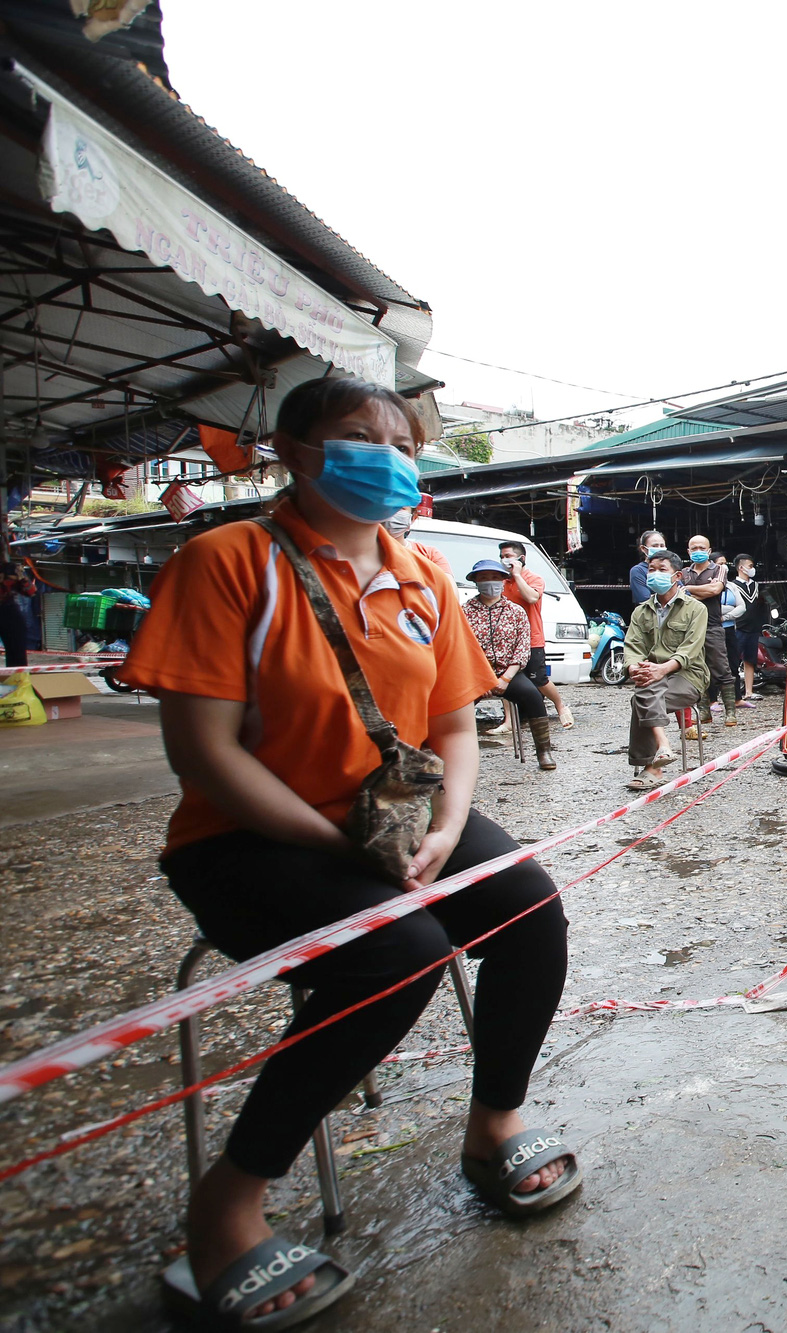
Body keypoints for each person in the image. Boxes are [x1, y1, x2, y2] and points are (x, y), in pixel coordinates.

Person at [119, 376, 576, 1326]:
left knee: (531, 905)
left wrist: (446, 829)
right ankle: (228, 1206)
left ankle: (493, 1127)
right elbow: (200, 750)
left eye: (400, 442)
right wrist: (333, 838)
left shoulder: (420, 578)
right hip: (249, 837)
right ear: (292, 448)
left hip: (398, 821)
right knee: (398, 953)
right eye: (357, 435)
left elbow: (455, 726)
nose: (386, 454)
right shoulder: (227, 561)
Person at [624, 552, 710, 790]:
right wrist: (634, 668)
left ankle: (654, 766)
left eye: (662, 569)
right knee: (645, 691)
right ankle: (662, 750)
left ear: (677, 575)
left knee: (642, 696)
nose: (655, 574)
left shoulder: (696, 609)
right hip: (652, 674)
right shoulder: (641, 611)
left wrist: (662, 669)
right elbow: (632, 646)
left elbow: (690, 650)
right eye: (651, 569)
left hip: (688, 676)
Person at [464, 559, 556, 771]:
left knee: (533, 696)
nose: (490, 583)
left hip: (509, 673)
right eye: (484, 578)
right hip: (475, 675)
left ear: (503, 581)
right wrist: (483, 679)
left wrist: (505, 678)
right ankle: (459, 755)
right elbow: (462, 648)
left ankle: (544, 751)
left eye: (495, 578)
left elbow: (522, 649)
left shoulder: (516, 611)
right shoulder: (464, 611)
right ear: (476, 581)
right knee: (456, 704)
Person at [496, 539, 572, 730]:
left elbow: (531, 597)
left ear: (521, 558)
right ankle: (509, 720)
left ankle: (560, 706)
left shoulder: (534, 578)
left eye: (508, 556)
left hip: (531, 638)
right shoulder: (501, 581)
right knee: (506, 678)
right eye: (502, 557)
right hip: (507, 640)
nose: (504, 560)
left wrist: (517, 575)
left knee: (538, 679)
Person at [679, 533, 740, 731]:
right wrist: (699, 590)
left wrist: (689, 589)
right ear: (688, 551)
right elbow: (680, 595)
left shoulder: (720, 569)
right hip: (689, 628)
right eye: (693, 548)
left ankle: (730, 711)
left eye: (701, 548)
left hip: (713, 625)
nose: (698, 552)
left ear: (709, 551)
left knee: (722, 669)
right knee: (697, 669)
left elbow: (715, 591)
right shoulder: (683, 572)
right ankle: (703, 710)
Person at [729, 553, 762, 702]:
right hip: (738, 627)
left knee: (750, 660)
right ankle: (733, 693)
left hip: (753, 627)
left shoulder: (755, 585)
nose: (752, 569)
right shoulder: (732, 585)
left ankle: (749, 691)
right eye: (750, 566)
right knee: (734, 661)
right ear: (741, 567)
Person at [0, 560, 32, 667]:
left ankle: (18, 681)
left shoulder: (10, 569)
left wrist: (20, 577)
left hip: (8, 610)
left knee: (17, 654)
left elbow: (30, 591)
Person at [627, 529, 666, 607]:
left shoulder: (670, 568)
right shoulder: (638, 571)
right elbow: (645, 599)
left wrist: (654, 596)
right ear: (643, 549)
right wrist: (673, 596)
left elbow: (685, 595)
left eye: (662, 546)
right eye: (655, 546)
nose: (659, 548)